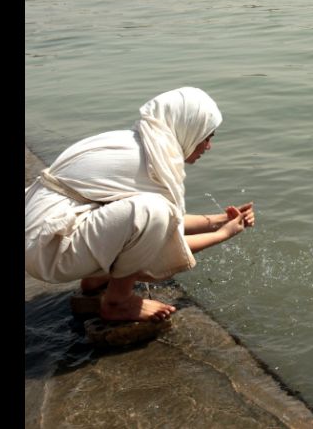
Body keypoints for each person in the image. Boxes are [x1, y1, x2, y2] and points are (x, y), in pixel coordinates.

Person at [25, 86, 255, 322]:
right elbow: (164, 234)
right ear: (189, 128)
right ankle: (118, 302)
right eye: (207, 137)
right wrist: (223, 234)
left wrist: (219, 220)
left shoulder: (135, 141)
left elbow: (164, 221)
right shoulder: (152, 163)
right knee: (152, 211)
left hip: (40, 234)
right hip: (48, 251)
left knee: (148, 214)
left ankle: (96, 281)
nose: (208, 146)